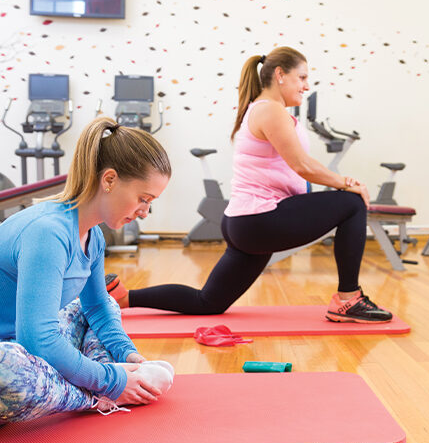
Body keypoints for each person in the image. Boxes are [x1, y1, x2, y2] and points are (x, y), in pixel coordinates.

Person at [0, 117, 175, 429]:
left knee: (99, 306)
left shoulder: (93, 237)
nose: (145, 212)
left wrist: (130, 356)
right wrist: (113, 382)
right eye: (143, 198)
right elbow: (37, 339)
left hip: (23, 350)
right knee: (6, 365)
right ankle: (100, 395)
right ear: (109, 180)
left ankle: (109, 372)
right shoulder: (47, 232)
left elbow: (96, 307)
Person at [118, 46, 393, 323]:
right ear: (280, 75)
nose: (306, 86)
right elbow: (303, 166)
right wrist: (348, 183)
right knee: (352, 203)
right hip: (260, 219)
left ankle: (123, 297)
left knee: (208, 302)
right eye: (302, 77)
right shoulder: (270, 110)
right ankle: (349, 299)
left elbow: (301, 165)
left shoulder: (264, 110)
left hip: (245, 222)